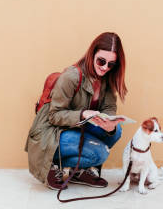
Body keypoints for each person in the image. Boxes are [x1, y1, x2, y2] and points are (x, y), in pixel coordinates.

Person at [25, 32, 128, 190]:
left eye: (111, 64)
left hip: (77, 127)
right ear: (92, 54)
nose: (105, 67)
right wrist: (83, 114)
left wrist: (110, 123)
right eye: (101, 61)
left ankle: (79, 171)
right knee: (99, 153)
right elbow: (54, 115)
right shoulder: (72, 76)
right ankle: (50, 166)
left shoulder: (107, 78)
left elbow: (109, 107)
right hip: (51, 133)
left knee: (116, 131)